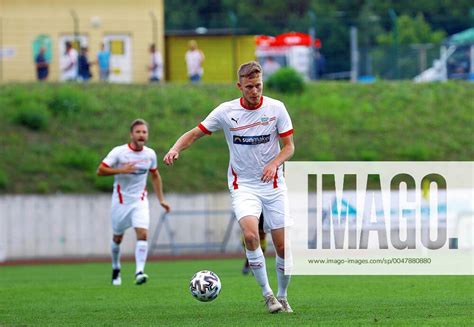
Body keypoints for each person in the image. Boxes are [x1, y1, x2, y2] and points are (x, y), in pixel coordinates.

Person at [164, 61, 295, 313]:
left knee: (283, 247)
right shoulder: (226, 111)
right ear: (239, 86)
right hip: (243, 184)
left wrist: (274, 164)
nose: (255, 91)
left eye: (258, 85)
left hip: (274, 184)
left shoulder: (277, 108)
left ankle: (283, 295)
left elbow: (289, 146)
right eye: (249, 87)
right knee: (249, 235)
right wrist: (175, 148)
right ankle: (268, 295)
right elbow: (194, 133)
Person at [97, 119, 171, 286]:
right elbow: (100, 170)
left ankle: (139, 272)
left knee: (143, 234)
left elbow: (155, 175)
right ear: (131, 134)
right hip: (121, 202)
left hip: (140, 201)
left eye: (144, 132)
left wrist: (161, 199)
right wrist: (121, 170)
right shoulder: (119, 152)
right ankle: (116, 268)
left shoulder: (150, 154)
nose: (141, 135)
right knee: (117, 238)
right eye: (138, 132)